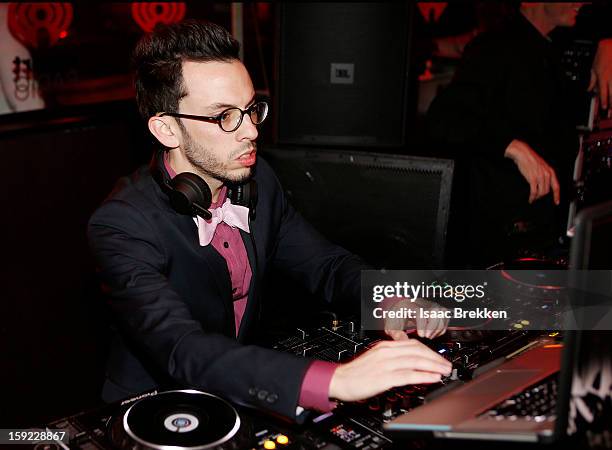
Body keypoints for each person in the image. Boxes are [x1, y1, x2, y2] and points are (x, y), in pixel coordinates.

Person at [87, 20, 451, 420]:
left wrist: (387, 300)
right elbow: (181, 347)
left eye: (250, 109)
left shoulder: (259, 181)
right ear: (167, 128)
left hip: (241, 392)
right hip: (152, 409)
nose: (251, 131)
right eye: (224, 116)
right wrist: (335, 382)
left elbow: (325, 265)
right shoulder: (122, 224)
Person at [427, 3, 595, 267]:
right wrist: (513, 147)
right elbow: (445, 117)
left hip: (544, 232)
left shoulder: (551, 47)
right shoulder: (496, 46)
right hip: (501, 246)